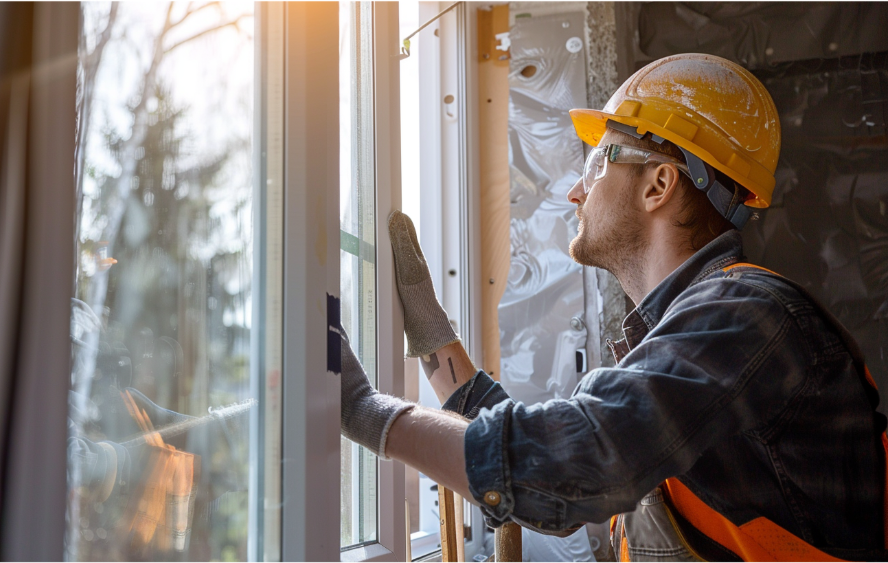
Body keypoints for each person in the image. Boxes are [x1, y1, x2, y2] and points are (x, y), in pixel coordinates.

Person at [339, 53, 887, 561]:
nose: (577, 191)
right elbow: (568, 450)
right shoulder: (698, 332)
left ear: (659, 185)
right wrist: (436, 340)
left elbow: (567, 463)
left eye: (598, 161)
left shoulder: (746, 317)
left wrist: (369, 413)